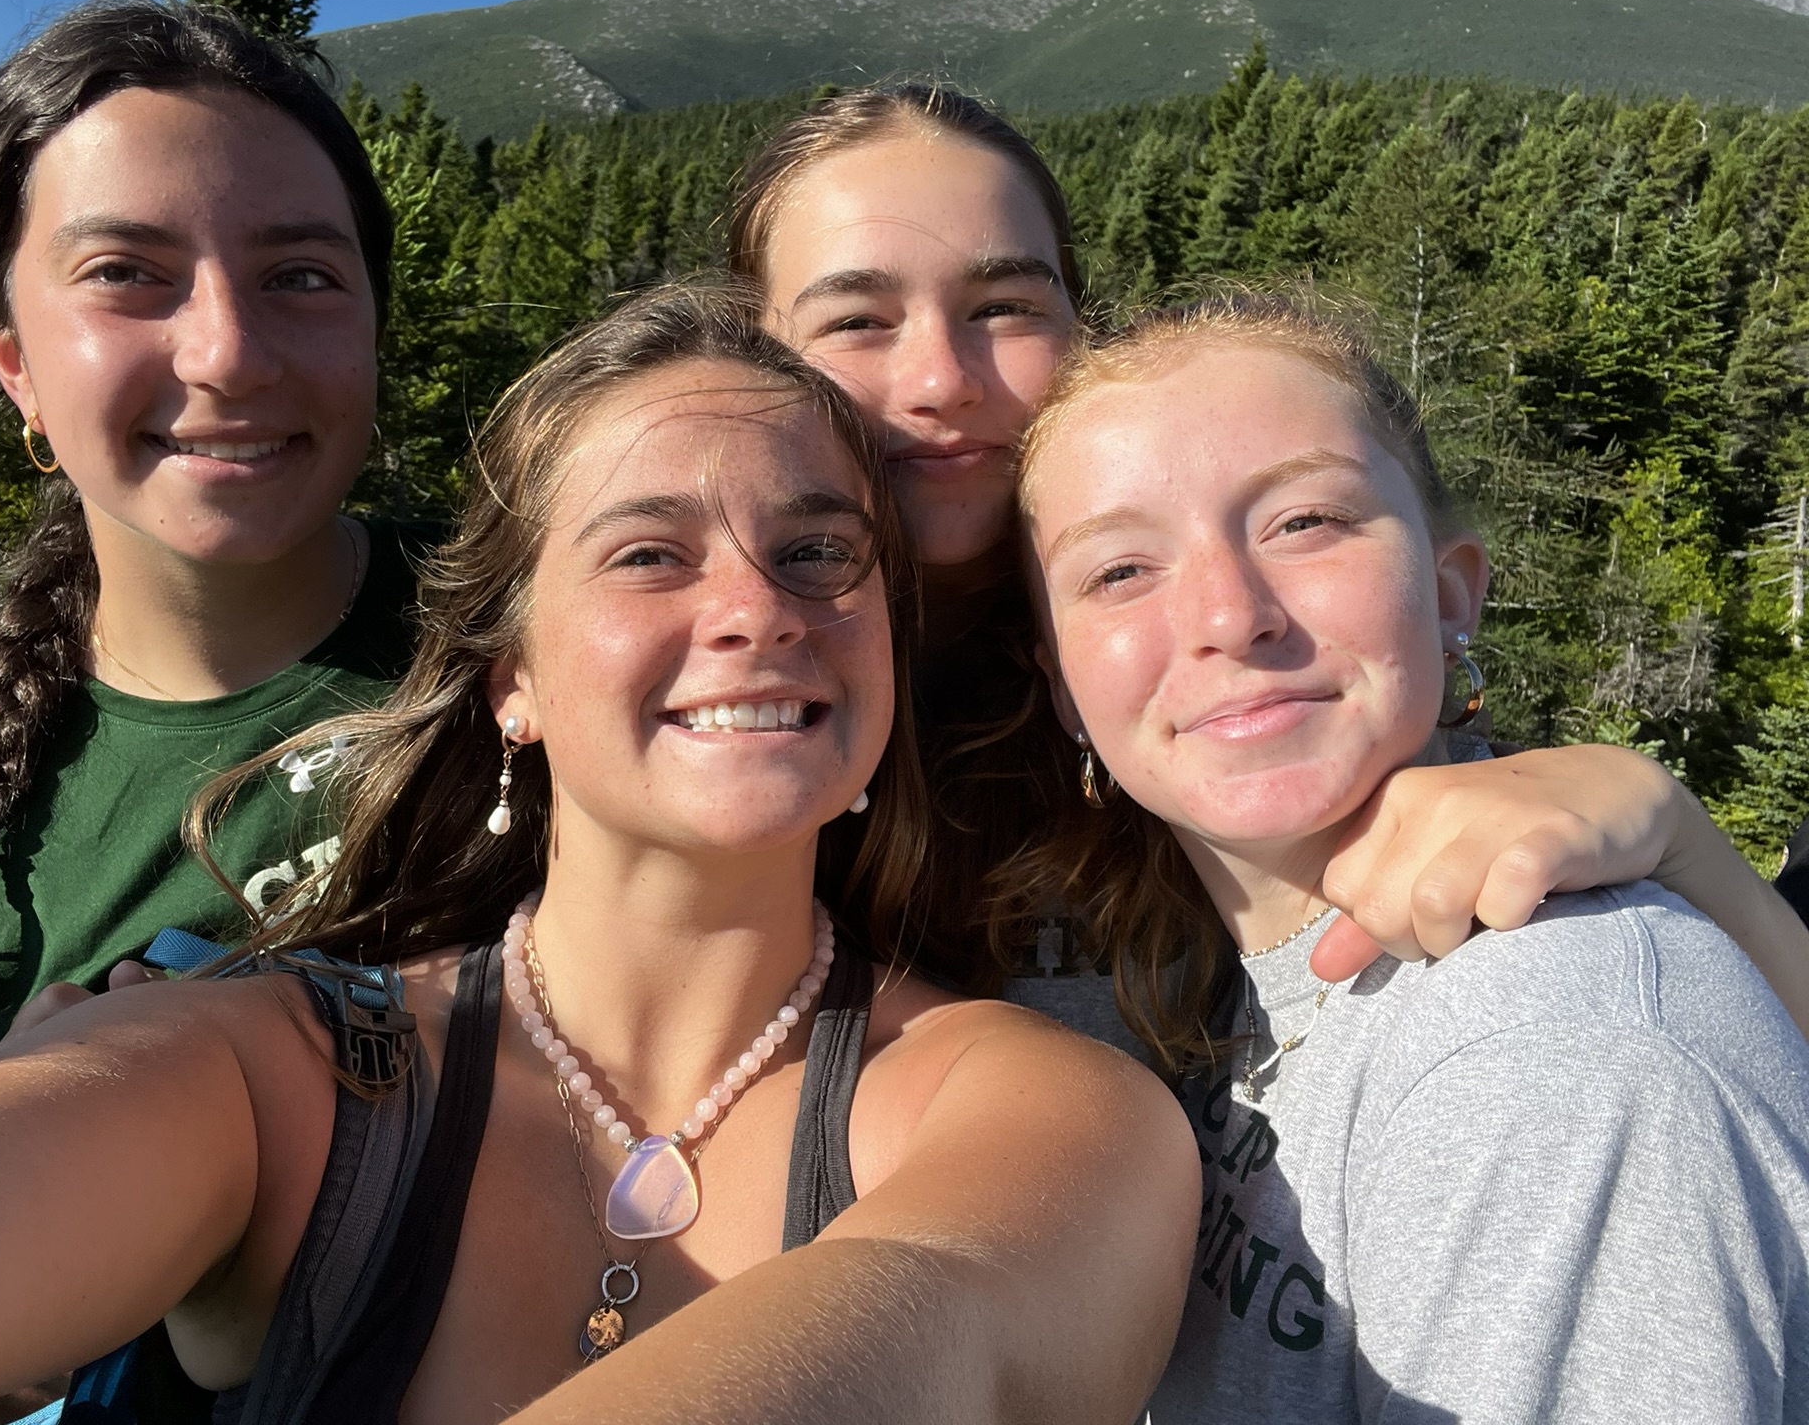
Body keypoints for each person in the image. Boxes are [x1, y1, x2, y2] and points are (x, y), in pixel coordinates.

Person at [0, 284, 1198, 1425]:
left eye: (819, 552)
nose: (758, 609)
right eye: (648, 553)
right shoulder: (270, 1077)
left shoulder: (1044, 1116)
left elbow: (942, 1328)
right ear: (513, 679)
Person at [732, 83, 1809, 1036]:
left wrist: (1678, 843)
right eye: (856, 320)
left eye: (1004, 306)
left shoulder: (1246, 673)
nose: (941, 379)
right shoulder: (716, 692)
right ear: (750, 360)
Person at [1013, 289, 1809, 1418]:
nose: (1228, 616)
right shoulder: (1185, 968)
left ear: (1449, 594)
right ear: (1064, 690)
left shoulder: (1559, 1068)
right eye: (1119, 572)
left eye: (1303, 522)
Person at [0, 0, 429, 1086]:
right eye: (123, 272)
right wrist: (28, 1133)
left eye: (300, 275)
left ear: (373, 324)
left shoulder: (562, 621)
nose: (228, 355)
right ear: (11, 358)